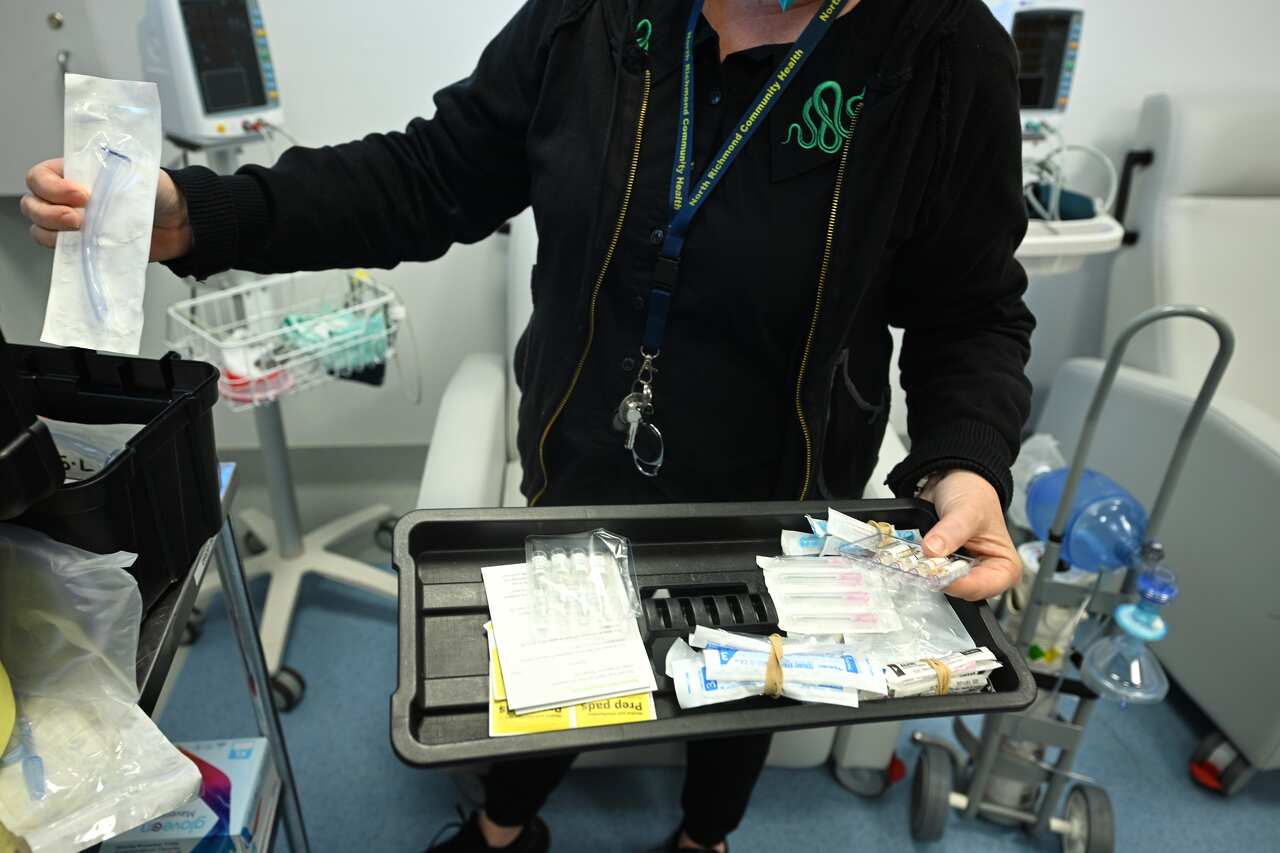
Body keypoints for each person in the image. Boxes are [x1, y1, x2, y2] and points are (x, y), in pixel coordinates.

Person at [21, 0, 1034, 849]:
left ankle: (701, 836)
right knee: (558, 651)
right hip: (584, 445)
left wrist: (965, 461)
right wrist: (203, 214)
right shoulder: (592, 19)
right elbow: (427, 176)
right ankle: (506, 826)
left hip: (780, 480)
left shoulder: (940, 52)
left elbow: (972, 308)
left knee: (750, 676)